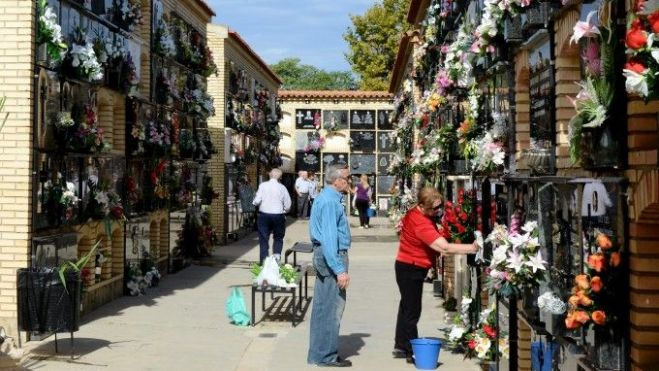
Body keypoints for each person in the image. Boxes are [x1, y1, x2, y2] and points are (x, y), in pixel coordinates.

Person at [392, 187, 478, 363]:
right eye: (434, 208)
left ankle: (401, 343)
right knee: (412, 311)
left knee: (406, 306)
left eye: (439, 207)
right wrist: (473, 248)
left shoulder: (416, 213)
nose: (437, 211)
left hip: (407, 266)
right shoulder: (421, 222)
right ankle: (412, 351)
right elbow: (444, 247)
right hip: (411, 267)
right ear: (422, 206)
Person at [307, 164, 353, 368]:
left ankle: (319, 353)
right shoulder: (329, 202)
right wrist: (340, 270)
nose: (349, 180)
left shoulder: (329, 198)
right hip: (331, 257)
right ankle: (325, 356)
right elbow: (329, 238)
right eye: (346, 177)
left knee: (323, 307)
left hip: (327, 256)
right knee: (330, 309)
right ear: (336, 180)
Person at [252, 168, 292, 264]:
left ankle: (264, 261)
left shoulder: (263, 186)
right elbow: (288, 204)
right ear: (280, 177)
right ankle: (276, 259)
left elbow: (257, 201)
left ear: (270, 175)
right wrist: (285, 210)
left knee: (263, 238)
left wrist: (254, 203)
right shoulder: (282, 188)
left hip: (264, 215)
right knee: (278, 237)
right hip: (278, 215)